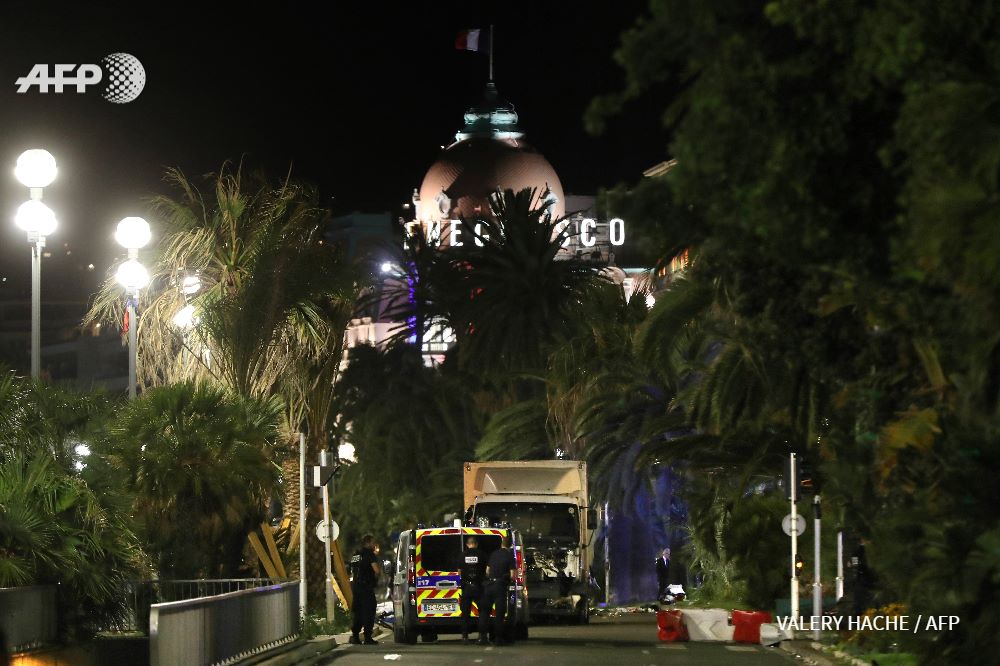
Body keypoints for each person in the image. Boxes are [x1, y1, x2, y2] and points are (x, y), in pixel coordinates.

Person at [478, 535, 516, 646]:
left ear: (501, 544)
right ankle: (498, 639)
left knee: (485, 612)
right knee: (499, 614)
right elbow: (513, 575)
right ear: (511, 546)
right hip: (500, 586)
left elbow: (487, 571)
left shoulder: (494, 554)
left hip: (489, 585)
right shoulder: (509, 556)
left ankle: (482, 638)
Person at [349, 534, 382, 645]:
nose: (374, 545)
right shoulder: (370, 554)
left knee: (358, 611)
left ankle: (355, 636)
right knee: (369, 611)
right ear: (368, 543)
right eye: (373, 542)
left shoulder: (356, 555)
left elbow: (351, 570)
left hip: (356, 587)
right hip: (366, 587)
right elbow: (376, 570)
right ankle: (368, 637)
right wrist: (376, 578)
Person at [459, 535, 486, 644]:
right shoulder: (482, 554)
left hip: (466, 587)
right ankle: (482, 636)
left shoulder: (462, 555)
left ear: (467, 544)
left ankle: (465, 637)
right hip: (479, 586)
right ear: (476, 544)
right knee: (482, 612)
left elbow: (459, 572)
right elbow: (487, 570)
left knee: (465, 614)